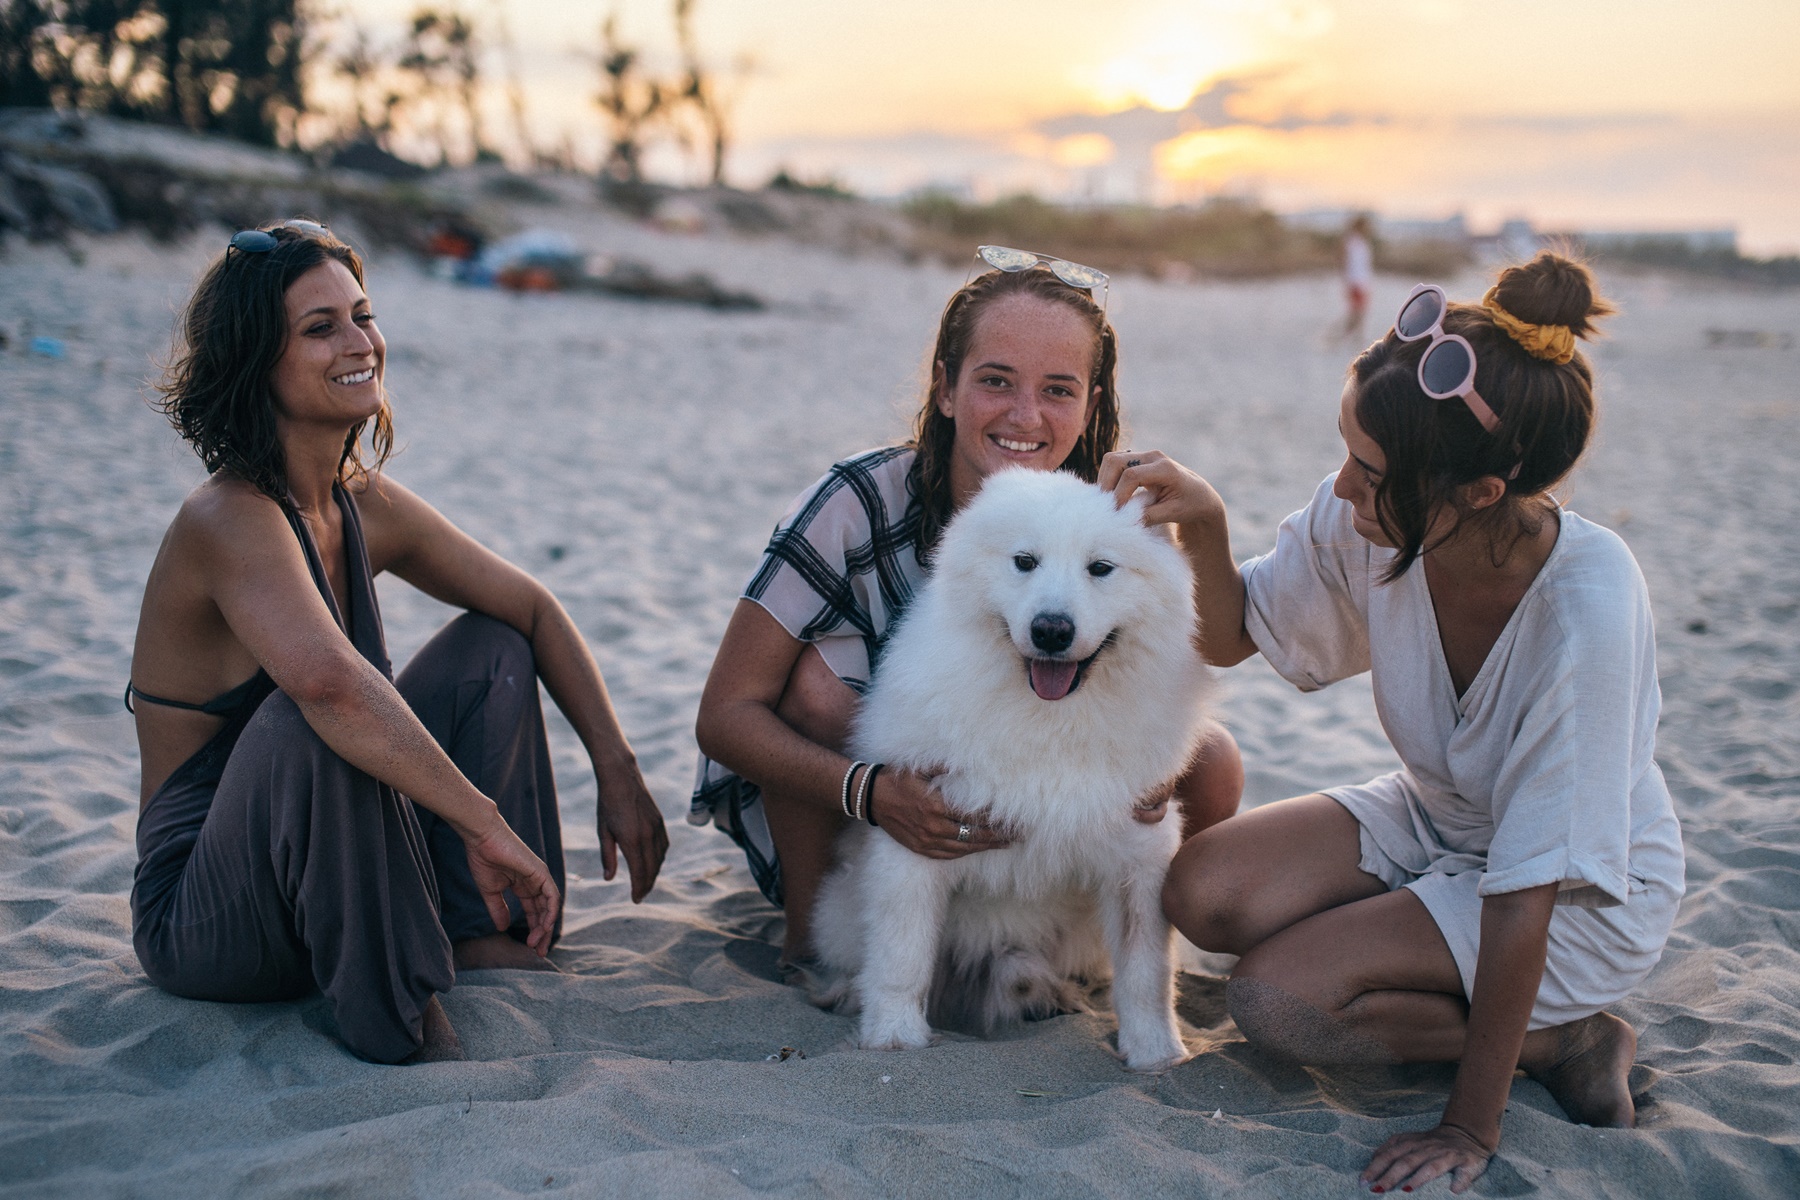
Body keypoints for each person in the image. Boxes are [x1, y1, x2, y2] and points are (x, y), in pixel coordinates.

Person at [1139, 252, 1682, 1193]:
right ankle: (1403, 949)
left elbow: (1525, 893)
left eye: (1367, 468)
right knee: (1201, 892)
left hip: (1576, 890)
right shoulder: (1377, 514)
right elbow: (1233, 638)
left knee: (1277, 1002)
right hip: (1440, 816)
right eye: (1347, 452)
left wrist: (1472, 1128)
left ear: (1476, 492)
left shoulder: (1586, 609)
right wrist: (1209, 524)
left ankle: (1569, 1041)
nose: (1343, 486)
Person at [128, 220, 668, 1064]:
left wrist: (618, 766)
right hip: (211, 915)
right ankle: (402, 1022)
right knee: (317, 714)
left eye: (362, 314)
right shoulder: (226, 518)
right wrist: (484, 826)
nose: (360, 342)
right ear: (254, 363)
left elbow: (531, 607)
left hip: (324, 872)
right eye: (320, 328)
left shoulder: (359, 503)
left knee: (491, 650)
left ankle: (481, 934)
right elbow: (331, 688)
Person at [691, 248, 1245, 967]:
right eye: (996, 382)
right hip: (852, 808)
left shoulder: (1108, 513)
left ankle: (1076, 955)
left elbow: (1185, 659)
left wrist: (1152, 753)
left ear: (1092, 405)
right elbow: (725, 715)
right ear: (945, 388)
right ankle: (811, 941)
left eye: (1058, 390)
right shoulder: (855, 501)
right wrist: (872, 793)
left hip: (1031, 809)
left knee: (1213, 762)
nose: (1025, 415)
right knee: (822, 693)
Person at [1339, 214, 1374, 343]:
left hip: (1363, 280)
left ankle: (1355, 336)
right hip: (1354, 280)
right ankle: (1348, 335)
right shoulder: (1351, 241)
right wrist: (1347, 281)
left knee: (1360, 310)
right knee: (1357, 311)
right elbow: (1344, 262)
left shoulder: (1363, 242)